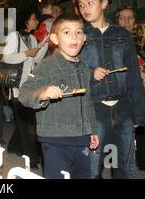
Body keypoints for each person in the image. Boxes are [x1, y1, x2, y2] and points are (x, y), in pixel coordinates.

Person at [74, 0, 145, 179]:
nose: (85, 8)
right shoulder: (78, 35)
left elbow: (133, 75)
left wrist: (139, 112)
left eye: (90, 2)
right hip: (95, 109)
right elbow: (69, 70)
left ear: (104, 3)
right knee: (92, 167)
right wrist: (90, 72)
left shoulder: (122, 35)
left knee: (127, 168)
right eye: (81, 5)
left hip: (123, 108)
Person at [19, 13, 99, 179]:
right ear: (55, 39)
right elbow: (24, 93)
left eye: (78, 32)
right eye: (67, 32)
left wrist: (92, 130)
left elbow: (88, 102)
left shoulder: (84, 67)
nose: (74, 37)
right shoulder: (47, 65)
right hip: (55, 139)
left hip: (81, 138)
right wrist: (42, 93)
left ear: (84, 38)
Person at [116, 6, 145, 171]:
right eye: (123, 18)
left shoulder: (140, 41)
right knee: (127, 129)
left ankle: (141, 162)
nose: (126, 21)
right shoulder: (113, 41)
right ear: (117, 20)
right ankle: (125, 164)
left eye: (130, 18)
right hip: (126, 92)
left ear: (135, 21)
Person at [2, 9, 47, 168]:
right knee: (28, 123)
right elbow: (6, 58)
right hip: (16, 86)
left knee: (25, 120)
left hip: (30, 85)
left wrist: (44, 46)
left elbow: (36, 60)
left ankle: (14, 146)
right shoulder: (15, 36)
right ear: (26, 20)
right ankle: (32, 158)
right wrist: (26, 53)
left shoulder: (33, 38)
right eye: (34, 18)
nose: (36, 22)